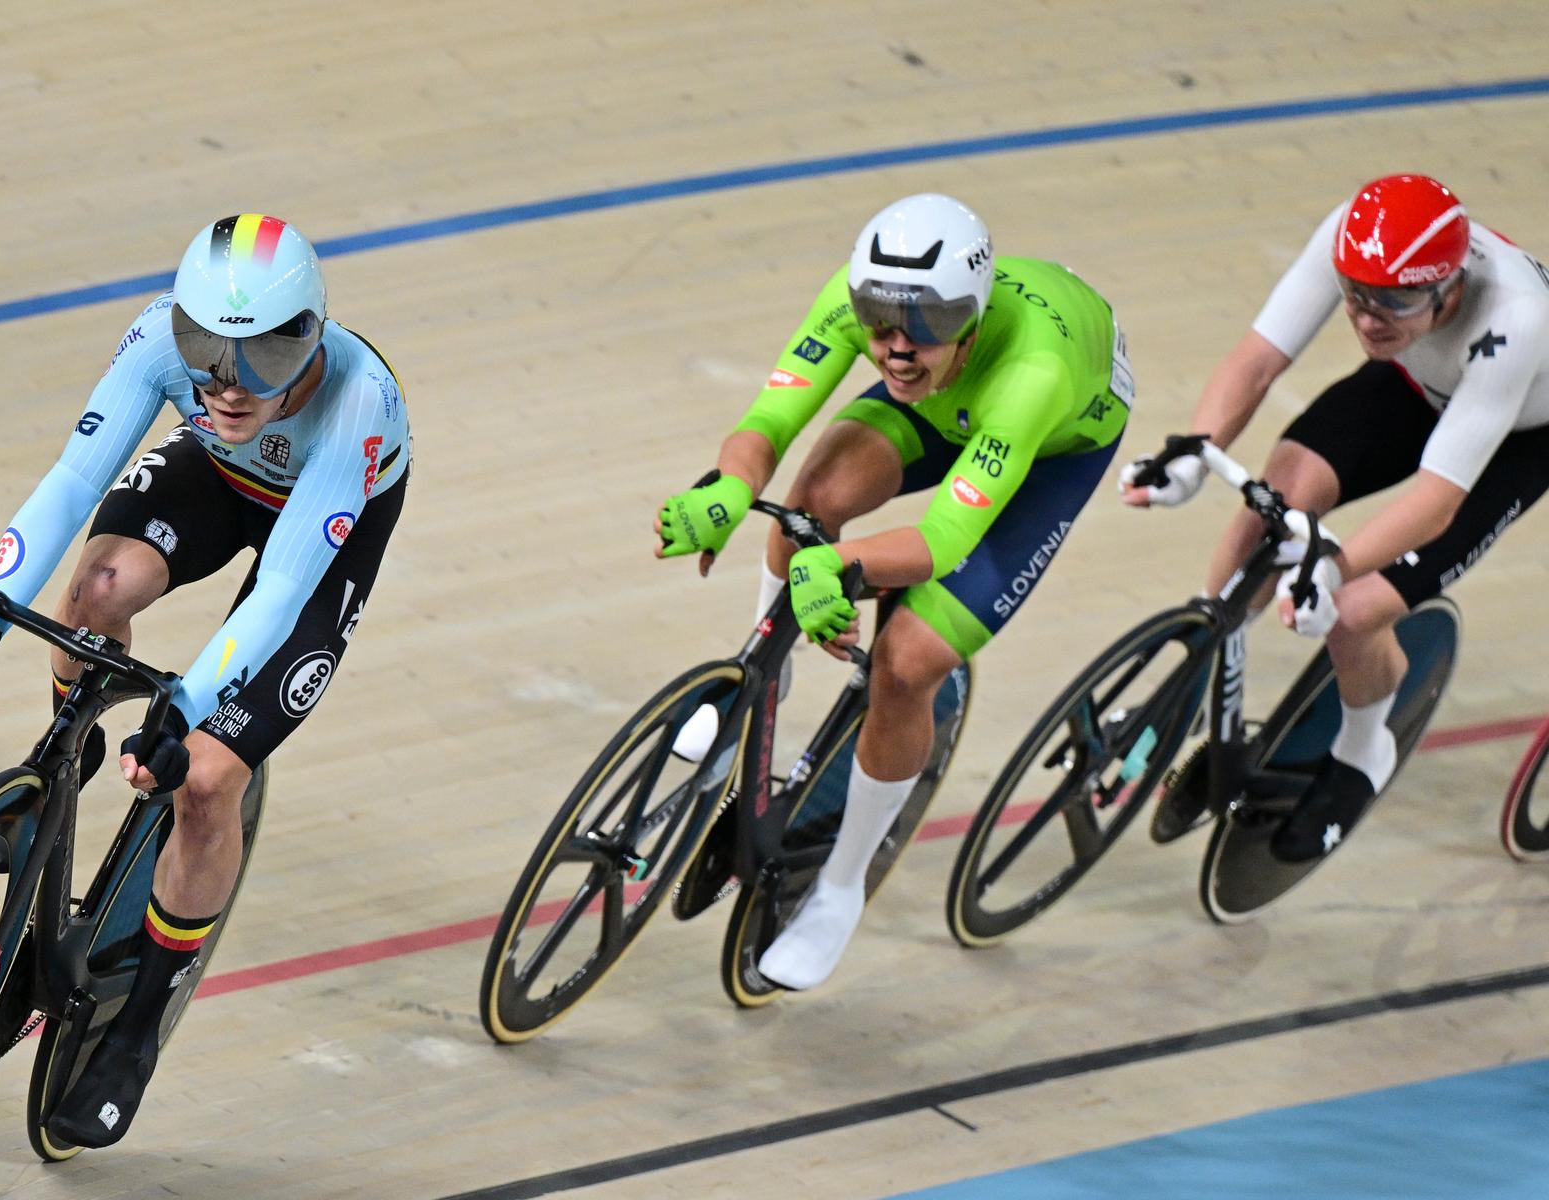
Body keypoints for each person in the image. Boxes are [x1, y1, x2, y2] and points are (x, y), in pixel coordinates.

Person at [0, 214, 411, 1146]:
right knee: (93, 594)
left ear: (307, 338)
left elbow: (283, 590)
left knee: (210, 775)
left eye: (258, 359)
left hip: (323, 523)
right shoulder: (163, 348)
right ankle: (58, 766)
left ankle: (139, 1022)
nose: (226, 384)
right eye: (206, 352)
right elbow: (70, 479)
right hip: (219, 480)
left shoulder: (356, 405)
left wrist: (186, 710)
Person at [656, 194, 1134, 990]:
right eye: (879, 320)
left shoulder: (1032, 372)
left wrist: (837, 571)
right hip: (952, 405)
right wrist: (730, 490)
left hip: (1049, 445)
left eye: (927, 326)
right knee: (805, 509)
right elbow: (768, 420)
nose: (898, 346)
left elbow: (944, 540)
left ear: (971, 323)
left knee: (906, 662)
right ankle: (758, 690)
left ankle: (841, 888)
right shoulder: (871, 302)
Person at [1121, 173, 1549, 861]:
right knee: (1267, 516)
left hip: (1518, 434)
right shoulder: (1358, 237)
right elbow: (1258, 359)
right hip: (1416, 383)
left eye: (1396, 302)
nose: (1369, 318)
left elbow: (1438, 499)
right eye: (1356, 297)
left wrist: (1333, 565)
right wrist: (1196, 451)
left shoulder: (1516, 317)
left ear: (1451, 286)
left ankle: (1363, 748)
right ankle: (1199, 676)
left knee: (1352, 613)